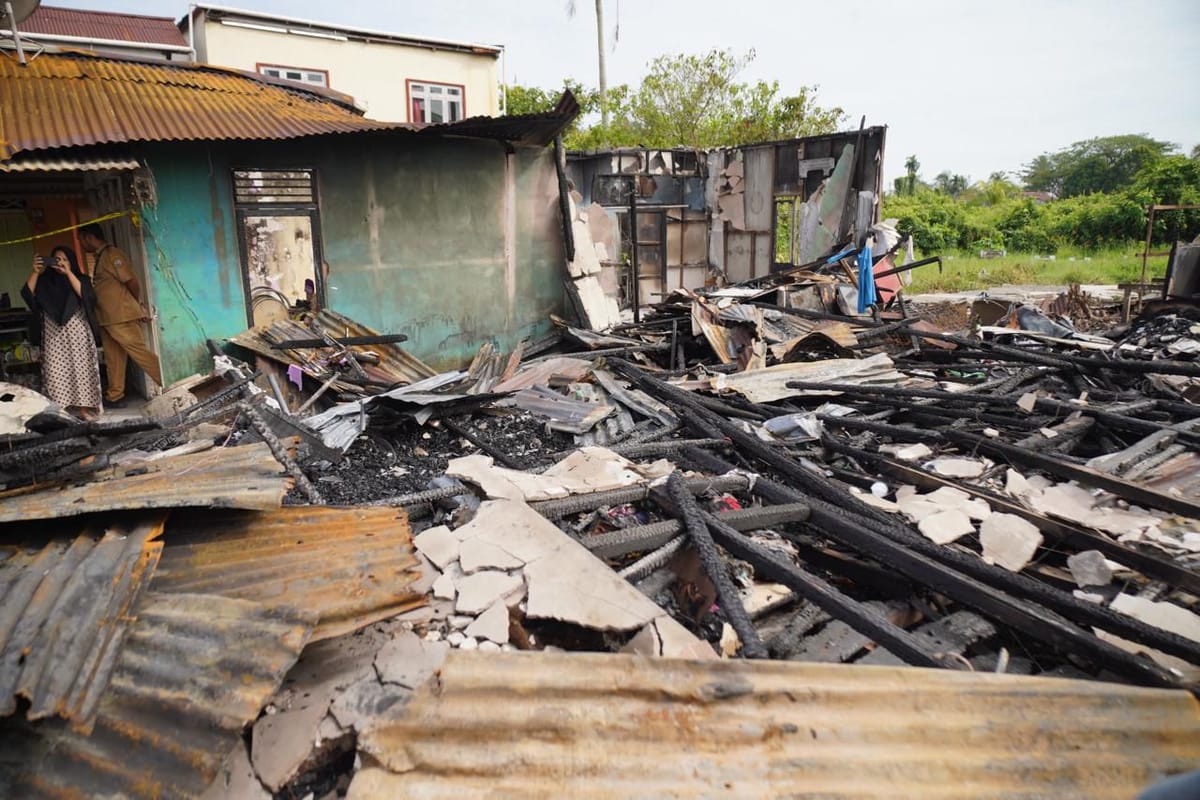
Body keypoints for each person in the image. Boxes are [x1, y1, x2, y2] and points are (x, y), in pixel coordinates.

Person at [78, 222, 162, 405]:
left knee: (140, 353)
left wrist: (137, 304)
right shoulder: (100, 256)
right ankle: (115, 396)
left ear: (89, 237)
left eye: (82, 240)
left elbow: (131, 281)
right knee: (113, 359)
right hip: (107, 318)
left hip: (121, 316)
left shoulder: (112, 255)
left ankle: (166, 382)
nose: (81, 245)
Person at [21, 246, 103, 421]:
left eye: (65, 260)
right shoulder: (44, 281)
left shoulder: (80, 278)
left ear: (71, 261)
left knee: (81, 370)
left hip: (77, 332)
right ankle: (60, 412)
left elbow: (86, 296)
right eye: (57, 259)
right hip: (53, 334)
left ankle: (83, 410)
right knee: (55, 372)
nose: (61, 263)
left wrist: (68, 273)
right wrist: (35, 272)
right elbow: (27, 294)